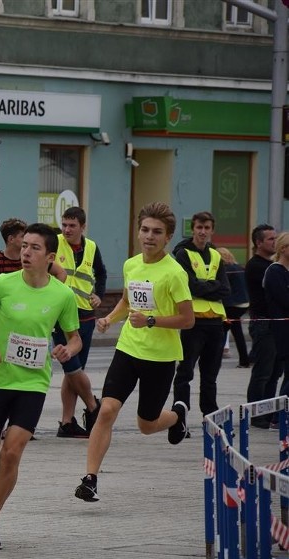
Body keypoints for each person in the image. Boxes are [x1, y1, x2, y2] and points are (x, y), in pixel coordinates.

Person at [0, 223, 81, 550]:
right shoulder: (3, 284)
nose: (25, 253)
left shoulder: (62, 295)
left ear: (50, 256)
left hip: (33, 384)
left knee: (12, 453)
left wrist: (66, 350)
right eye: (24, 246)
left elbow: (74, 339)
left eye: (34, 248)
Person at [75, 202, 194, 503]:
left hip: (161, 356)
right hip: (128, 349)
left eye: (157, 232)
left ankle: (177, 415)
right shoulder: (131, 265)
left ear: (167, 237)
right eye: (144, 230)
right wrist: (109, 318)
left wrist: (152, 320)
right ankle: (90, 479)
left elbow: (188, 319)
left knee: (146, 424)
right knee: (107, 410)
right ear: (137, 231)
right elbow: (128, 303)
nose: (149, 236)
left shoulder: (174, 273)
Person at [50, 207, 105, 439]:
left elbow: (101, 273)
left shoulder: (91, 247)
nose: (67, 229)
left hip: (85, 314)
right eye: (64, 224)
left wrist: (99, 294)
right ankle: (94, 407)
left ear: (83, 227)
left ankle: (66, 422)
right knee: (71, 366)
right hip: (61, 314)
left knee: (74, 370)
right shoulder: (54, 242)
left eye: (72, 225)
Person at [171, 211, 230, 417]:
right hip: (193, 322)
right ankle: (180, 418)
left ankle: (210, 417)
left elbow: (226, 289)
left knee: (210, 376)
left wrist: (204, 286)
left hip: (215, 322)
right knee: (185, 373)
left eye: (206, 228)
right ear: (193, 229)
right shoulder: (182, 254)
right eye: (199, 227)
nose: (203, 232)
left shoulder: (215, 255)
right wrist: (211, 286)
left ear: (212, 230)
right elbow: (189, 286)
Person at [245, 224, 281, 428]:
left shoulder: (271, 265)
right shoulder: (257, 266)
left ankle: (269, 412)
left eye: (276, 238)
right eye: (270, 239)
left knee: (274, 373)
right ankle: (256, 414)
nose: (274, 242)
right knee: (263, 372)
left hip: (275, 324)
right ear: (258, 243)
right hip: (263, 323)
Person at [217, 247, 249, 368]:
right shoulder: (238, 267)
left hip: (232, 305)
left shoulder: (225, 270)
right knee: (236, 331)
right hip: (243, 304)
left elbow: (223, 289)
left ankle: (216, 360)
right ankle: (244, 360)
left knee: (221, 332)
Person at [267, 233, 289, 398]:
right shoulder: (275, 271)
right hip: (282, 329)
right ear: (283, 248)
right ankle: (278, 417)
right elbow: (284, 299)